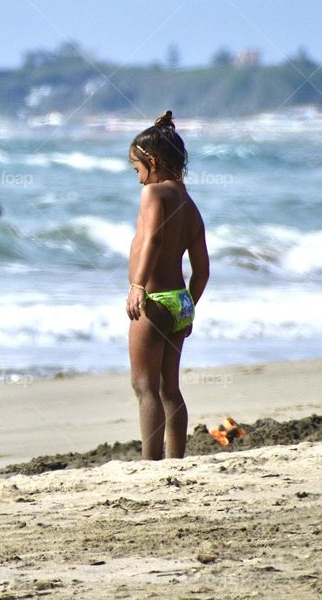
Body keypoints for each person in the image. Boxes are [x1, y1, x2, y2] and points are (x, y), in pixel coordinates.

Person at [126, 110, 210, 461]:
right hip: (179, 302)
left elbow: (153, 241)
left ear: (153, 163)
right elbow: (202, 269)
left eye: (137, 169)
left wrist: (138, 285)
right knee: (169, 388)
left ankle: (151, 462)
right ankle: (176, 459)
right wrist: (189, 306)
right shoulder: (189, 204)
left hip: (155, 301)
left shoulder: (153, 194)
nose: (138, 179)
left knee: (144, 386)